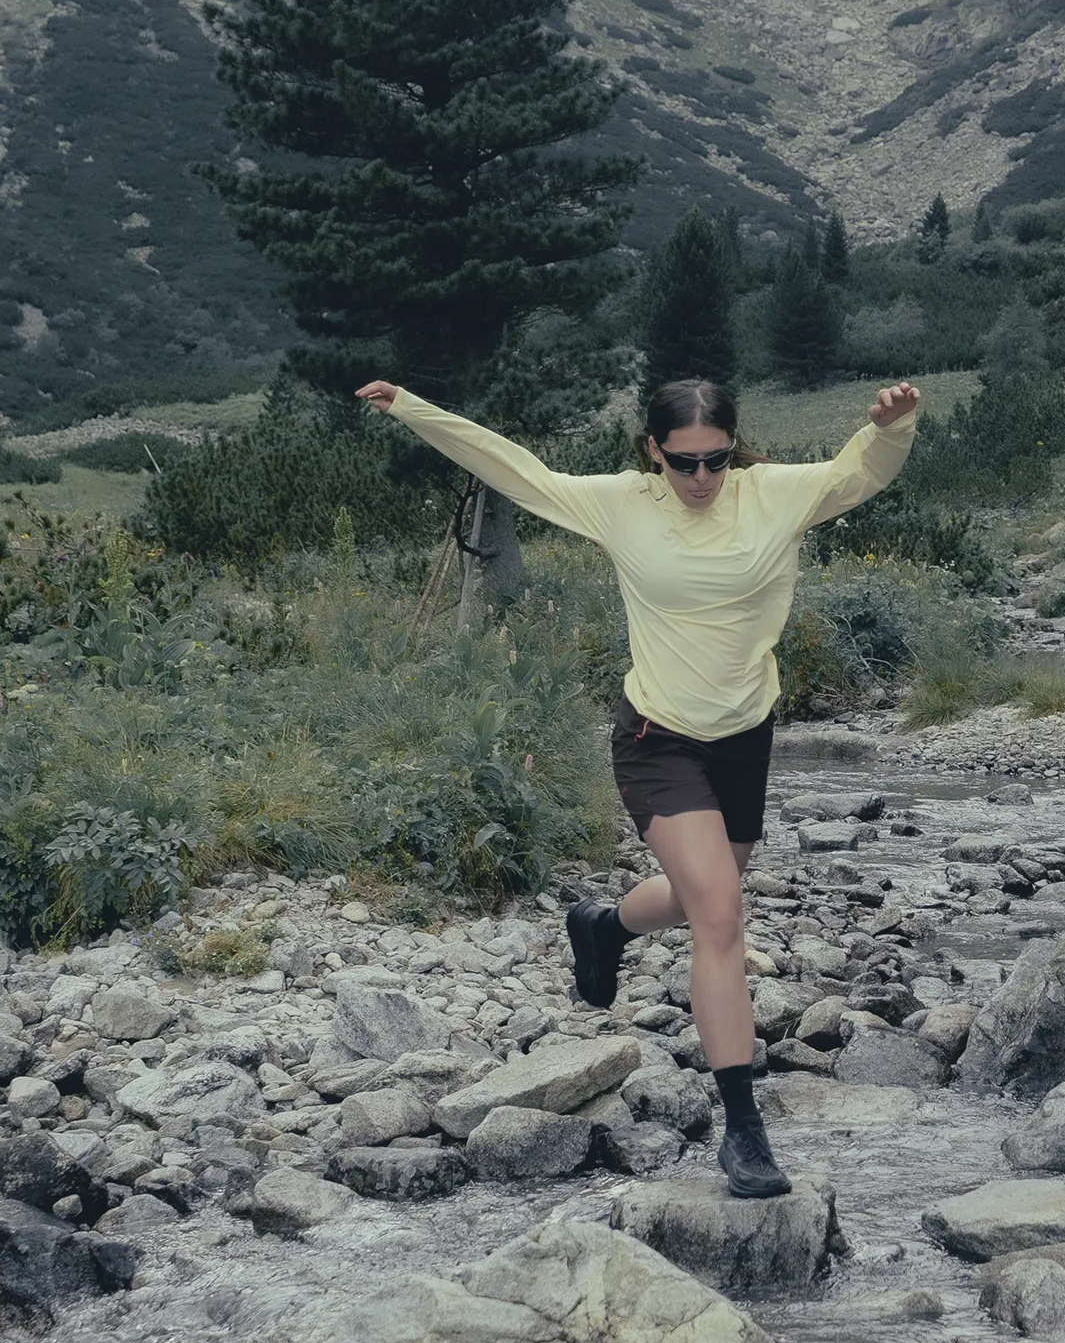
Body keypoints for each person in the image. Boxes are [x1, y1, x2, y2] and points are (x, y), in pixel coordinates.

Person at [356, 371, 922, 1197]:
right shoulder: (622, 503)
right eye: (682, 463)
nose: (699, 480)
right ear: (653, 451)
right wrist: (413, 409)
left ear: (734, 448)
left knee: (709, 892)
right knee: (722, 915)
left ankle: (604, 926)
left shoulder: (776, 496)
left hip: (745, 734)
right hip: (658, 737)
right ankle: (743, 1129)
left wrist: (894, 425)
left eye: (715, 461)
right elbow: (515, 468)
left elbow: (860, 471)